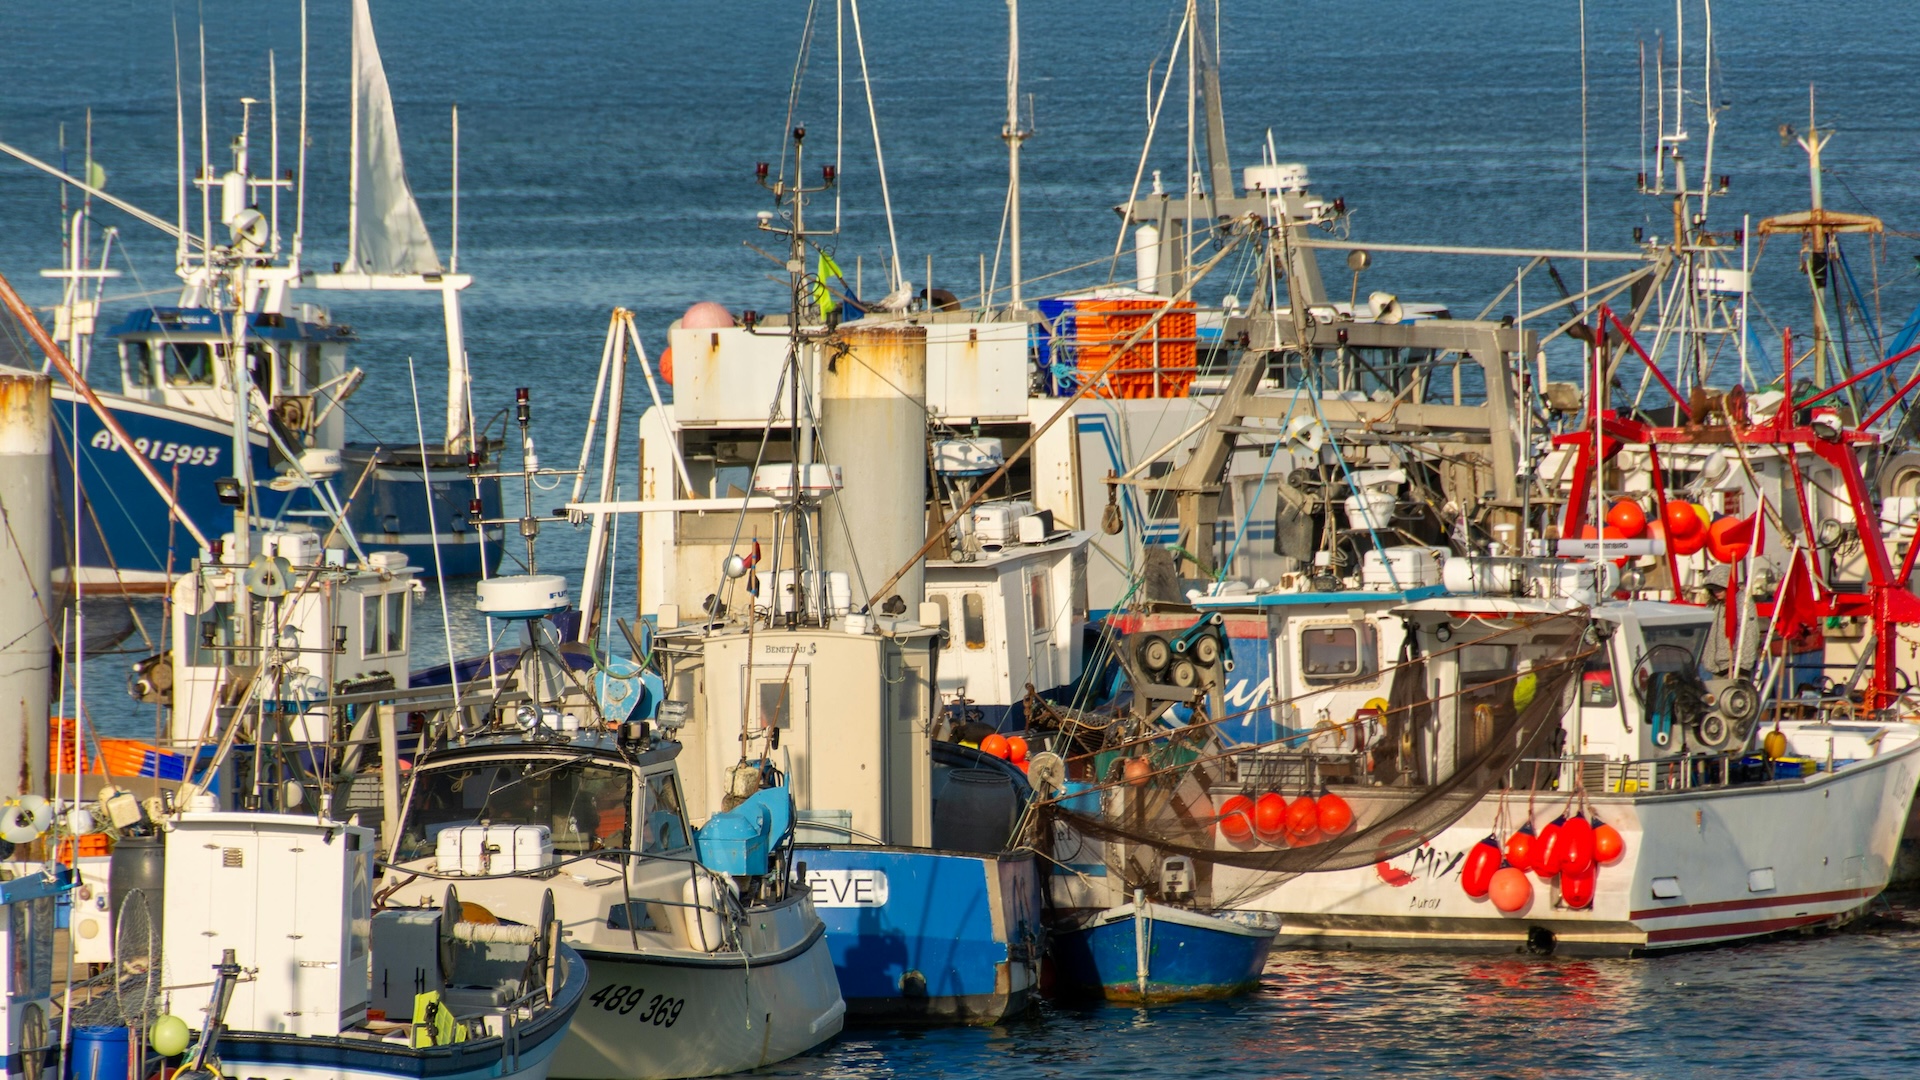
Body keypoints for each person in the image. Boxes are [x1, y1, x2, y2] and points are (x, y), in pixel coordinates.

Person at [1700, 564, 1762, 678]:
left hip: (1736, 667)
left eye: (1719, 588)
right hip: (1717, 667)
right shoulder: (1714, 605)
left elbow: (1750, 633)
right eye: (1713, 589)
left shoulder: (1742, 601)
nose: (1716, 592)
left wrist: (1743, 665)